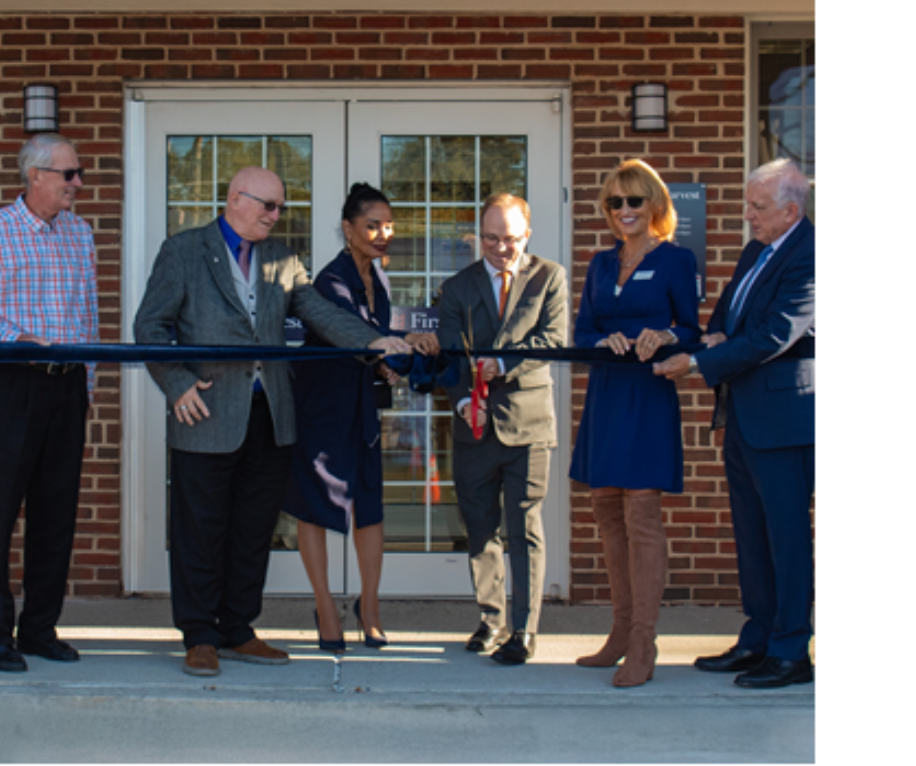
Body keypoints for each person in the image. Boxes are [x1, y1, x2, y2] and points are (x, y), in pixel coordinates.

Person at [133, 167, 411, 677]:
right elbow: (149, 326)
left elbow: (318, 312)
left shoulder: (283, 259)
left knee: (252, 527)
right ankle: (199, 635)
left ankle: (238, 629)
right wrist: (177, 384)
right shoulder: (184, 250)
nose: (275, 216)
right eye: (268, 206)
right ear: (235, 198)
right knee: (201, 528)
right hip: (207, 410)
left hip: (272, 414)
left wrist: (370, 340)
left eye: (280, 207)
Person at [0, 133, 100, 673]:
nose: (78, 184)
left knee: (57, 515)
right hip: (13, 384)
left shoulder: (80, 234)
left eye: (77, 174)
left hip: (67, 386)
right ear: (36, 175)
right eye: (69, 174)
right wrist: (13, 340)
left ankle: (38, 629)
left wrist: (89, 383)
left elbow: (88, 315)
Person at [655, 159, 814, 689]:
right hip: (744, 412)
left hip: (784, 421)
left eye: (757, 208)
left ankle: (791, 651)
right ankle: (759, 637)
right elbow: (728, 317)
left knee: (786, 536)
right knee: (752, 533)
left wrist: (699, 363)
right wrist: (714, 339)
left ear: (791, 211)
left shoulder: (813, 255)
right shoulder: (756, 250)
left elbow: (774, 334)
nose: (747, 215)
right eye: (748, 205)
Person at [282, 183, 440, 651]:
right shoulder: (331, 279)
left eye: (389, 225)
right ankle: (325, 606)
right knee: (317, 506)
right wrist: (399, 346)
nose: (382, 233)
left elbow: (377, 340)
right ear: (348, 229)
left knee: (369, 507)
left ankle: (369, 607)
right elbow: (358, 334)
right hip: (323, 409)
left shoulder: (378, 276)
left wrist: (397, 353)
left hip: (363, 404)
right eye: (372, 225)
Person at [570, 159, 701, 688]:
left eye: (633, 201)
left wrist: (663, 335)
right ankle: (620, 632)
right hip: (605, 394)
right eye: (614, 203)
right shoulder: (601, 264)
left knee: (642, 515)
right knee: (605, 510)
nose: (623, 211)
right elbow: (580, 333)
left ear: (655, 205)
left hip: (647, 397)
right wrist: (603, 341)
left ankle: (644, 642)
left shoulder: (676, 260)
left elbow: (692, 330)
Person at [436, 193, 569, 666]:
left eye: (509, 238)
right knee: (480, 528)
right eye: (490, 238)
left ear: (526, 234)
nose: (499, 248)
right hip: (474, 425)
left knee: (524, 527)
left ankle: (524, 629)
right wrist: (464, 397)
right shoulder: (456, 287)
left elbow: (553, 341)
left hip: (529, 425)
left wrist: (501, 364)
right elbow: (450, 357)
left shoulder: (549, 277)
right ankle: (491, 620)